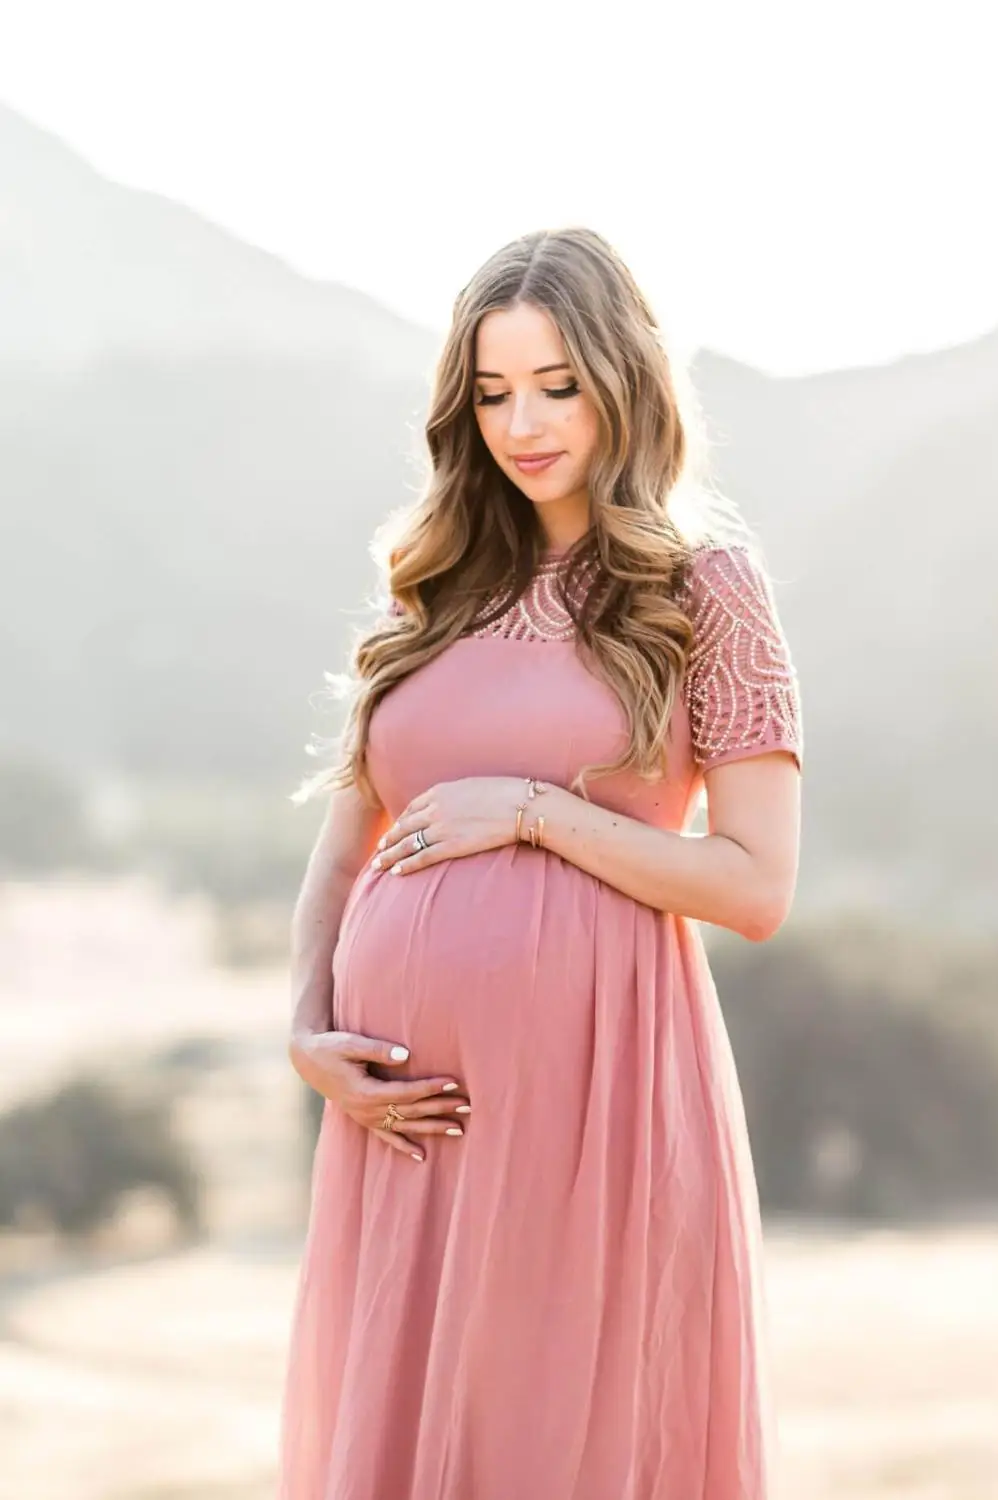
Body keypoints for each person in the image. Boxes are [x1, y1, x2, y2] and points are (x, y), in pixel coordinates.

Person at [278, 226, 803, 1500]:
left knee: (553, 1442)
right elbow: (344, 854)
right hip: (405, 1127)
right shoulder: (436, 591)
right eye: (493, 390)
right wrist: (305, 1030)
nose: (524, 422)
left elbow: (754, 885)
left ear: (626, 381)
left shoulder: (705, 592)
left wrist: (530, 810)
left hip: (594, 1105)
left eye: (557, 383)